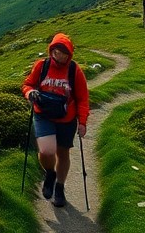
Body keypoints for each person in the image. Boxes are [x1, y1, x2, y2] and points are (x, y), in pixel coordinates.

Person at [22, 33, 89, 208]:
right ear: (51, 51)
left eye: (63, 52)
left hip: (66, 119)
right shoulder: (41, 66)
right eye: (56, 51)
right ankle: (50, 173)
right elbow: (27, 84)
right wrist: (30, 93)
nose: (59, 55)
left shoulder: (75, 71)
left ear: (69, 54)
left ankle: (59, 187)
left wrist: (82, 122)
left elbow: (82, 98)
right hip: (43, 114)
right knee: (46, 151)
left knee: (63, 153)